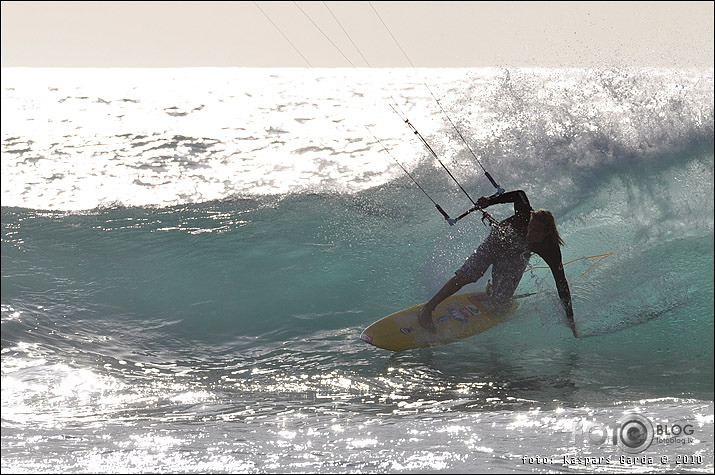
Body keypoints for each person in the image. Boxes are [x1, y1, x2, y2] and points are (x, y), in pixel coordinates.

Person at [417, 190, 577, 337]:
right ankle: (428, 308)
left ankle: (493, 290)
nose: (530, 233)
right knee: (466, 276)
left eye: (535, 232)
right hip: (496, 241)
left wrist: (570, 317)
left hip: (515, 255)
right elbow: (519, 194)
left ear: (546, 233)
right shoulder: (525, 214)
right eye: (530, 227)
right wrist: (490, 200)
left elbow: (561, 283)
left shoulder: (550, 249)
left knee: (501, 304)